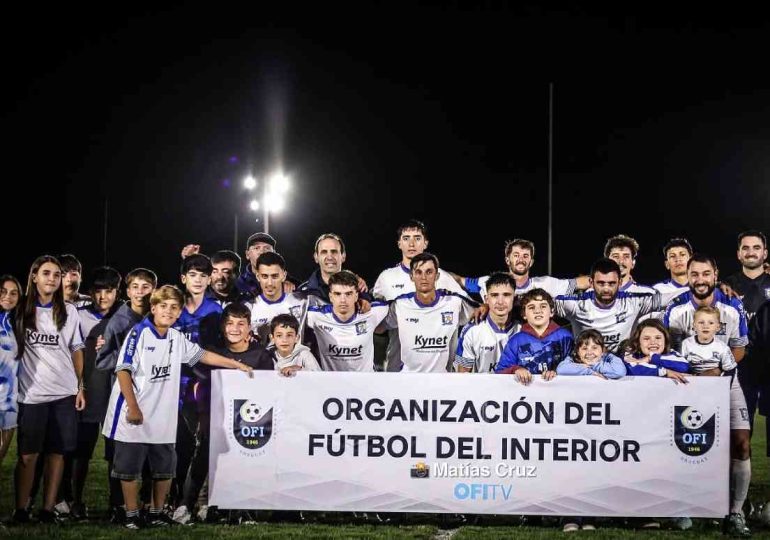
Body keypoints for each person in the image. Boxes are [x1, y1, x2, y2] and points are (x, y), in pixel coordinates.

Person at [103, 285, 253, 529]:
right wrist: (132, 406)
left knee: (164, 467)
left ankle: (156, 512)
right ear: (153, 308)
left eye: (174, 307)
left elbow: (202, 355)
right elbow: (123, 370)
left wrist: (235, 365)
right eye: (163, 306)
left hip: (162, 413)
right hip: (134, 413)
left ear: (179, 311)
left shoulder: (175, 337)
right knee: (130, 469)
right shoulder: (138, 333)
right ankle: (131, 515)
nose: (168, 311)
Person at [173, 303, 274, 525]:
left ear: (250, 328)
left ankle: (241, 509)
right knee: (202, 457)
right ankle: (185, 505)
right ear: (222, 326)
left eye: (241, 324)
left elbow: (269, 392)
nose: (235, 328)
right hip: (214, 418)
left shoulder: (261, 356)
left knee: (247, 462)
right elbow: (198, 384)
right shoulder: (213, 353)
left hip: (248, 422)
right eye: (229, 323)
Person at [13, 256, 85, 525]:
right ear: (34, 276)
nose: (52, 279)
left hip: (64, 393)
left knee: (57, 454)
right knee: (27, 455)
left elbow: (77, 349)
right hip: (31, 395)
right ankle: (21, 509)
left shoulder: (69, 311)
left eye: (57, 274)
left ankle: (47, 510)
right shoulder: (20, 309)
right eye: (46, 273)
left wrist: (80, 385)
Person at [680, 305, 751, 537]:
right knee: (696, 447)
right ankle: (695, 506)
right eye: (701, 323)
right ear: (693, 325)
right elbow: (683, 368)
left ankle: (736, 511)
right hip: (697, 396)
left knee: (742, 444)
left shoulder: (721, 347)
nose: (705, 327)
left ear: (718, 327)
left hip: (727, 392)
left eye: (710, 323)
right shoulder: (687, 345)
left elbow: (730, 373)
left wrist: (716, 394)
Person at [94, 267, 157, 521]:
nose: (140, 292)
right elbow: (102, 360)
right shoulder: (119, 321)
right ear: (127, 291)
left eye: (146, 287)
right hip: (121, 397)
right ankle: (117, 504)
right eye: (135, 287)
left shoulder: (157, 316)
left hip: (151, 396)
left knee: (149, 452)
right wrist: (129, 362)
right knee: (118, 454)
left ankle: (144, 503)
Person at [60, 267, 122, 520]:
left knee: (115, 452)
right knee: (81, 451)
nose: (103, 296)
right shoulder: (78, 314)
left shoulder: (126, 316)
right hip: (87, 392)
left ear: (117, 292)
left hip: (116, 393)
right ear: (90, 293)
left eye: (109, 291)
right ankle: (75, 500)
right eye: (98, 291)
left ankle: (116, 503)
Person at [382, 253, 476, 372]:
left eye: (429, 272)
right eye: (418, 272)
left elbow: (481, 311)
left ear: (437, 276)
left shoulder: (454, 301)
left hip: (441, 381)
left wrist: (484, 308)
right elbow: (378, 326)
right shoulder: (400, 304)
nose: (424, 277)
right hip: (408, 381)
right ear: (411, 276)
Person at [554, 258, 661, 352]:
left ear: (619, 283)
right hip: (585, 366)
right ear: (591, 282)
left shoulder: (633, 302)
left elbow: (673, 298)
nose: (606, 289)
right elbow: (540, 301)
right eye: (601, 283)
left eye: (611, 283)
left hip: (623, 367)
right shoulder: (576, 304)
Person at [724, 230, 770, 433]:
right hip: (741, 367)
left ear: (765, 253)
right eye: (746, 248)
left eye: (756, 247)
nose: (751, 252)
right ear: (738, 254)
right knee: (741, 432)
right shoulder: (726, 286)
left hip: (769, 365)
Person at [306, 270, 389, 371]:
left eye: (348, 294)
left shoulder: (372, 313)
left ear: (357, 296)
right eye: (337, 294)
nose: (343, 300)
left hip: (366, 383)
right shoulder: (315, 316)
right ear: (330, 297)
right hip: (331, 383)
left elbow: (400, 303)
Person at [457, 239, 589, 300]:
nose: (521, 259)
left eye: (525, 256)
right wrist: (436, 271)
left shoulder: (545, 284)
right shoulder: (489, 282)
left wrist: (606, 277)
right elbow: (459, 280)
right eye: (516, 255)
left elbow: (579, 282)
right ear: (507, 260)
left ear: (531, 262)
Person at [494, 288, 572, 382]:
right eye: (531, 307)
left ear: (552, 312)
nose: (537, 311)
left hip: (558, 393)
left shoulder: (565, 337)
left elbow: (576, 366)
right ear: (524, 314)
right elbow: (500, 372)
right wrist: (515, 370)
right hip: (525, 393)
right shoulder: (516, 341)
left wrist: (557, 372)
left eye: (543, 306)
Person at [455, 273, 520, 374]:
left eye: (506, 295)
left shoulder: (522, 330)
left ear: (514, 299)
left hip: (515, 389)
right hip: (481, 389)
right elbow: (462, 375)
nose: (500, 302)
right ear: (486, 299)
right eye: (494, 295)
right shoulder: (472, 331)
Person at [247, 252, 308, 344]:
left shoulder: (301, 302)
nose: (270, 283)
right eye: (265, 276)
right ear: (258, 277)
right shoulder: (249, 308)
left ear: (284, 276)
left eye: (275, 276)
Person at [0, 275, 22, 515]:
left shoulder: (17, 323)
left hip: (10, 402)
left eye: (13, 292)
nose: (7, 296)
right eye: (3, 291)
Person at [298, 233, 367, 304]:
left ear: (343, 256)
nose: (330, 257)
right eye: (324, 252)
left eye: (334, 251)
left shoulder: (359, 289)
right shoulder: (302, 293)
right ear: (316, 257)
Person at [622, 319, 689, 382]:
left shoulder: (672, 353)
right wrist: (665, 372)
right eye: (647, 338)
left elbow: (684, 366)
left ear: (665, 341)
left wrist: (651, 358)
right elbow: (631, 369)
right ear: (638, 342)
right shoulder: (630, 354)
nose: (653, 342)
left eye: (658, 338)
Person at [556, 330, 626, 379]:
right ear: (577, 351)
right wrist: (590, 372)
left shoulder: (609, 358)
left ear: (602, 350)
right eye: (584, 348)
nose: (589, 352)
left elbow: (620, 371)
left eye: (594, 348)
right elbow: (561, 369)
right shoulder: (572, 359)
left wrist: (594, 365)